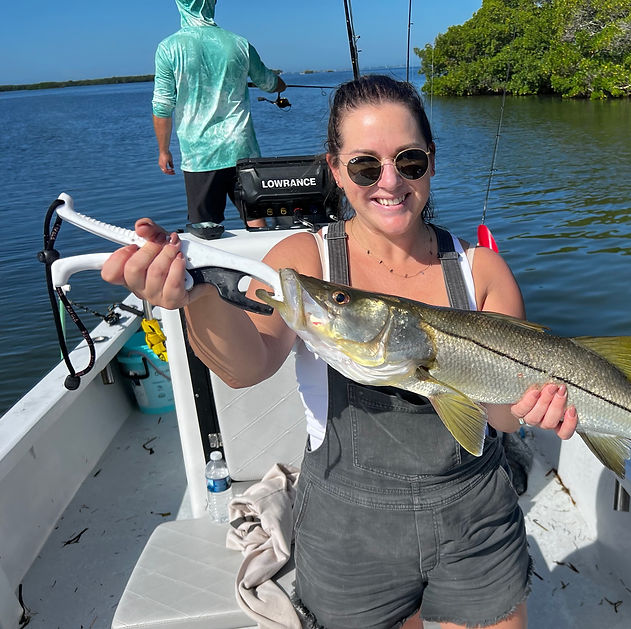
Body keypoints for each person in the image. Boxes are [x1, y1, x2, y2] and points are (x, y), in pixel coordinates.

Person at [104, 75, 577, 629]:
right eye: (365, 166)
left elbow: (496, 418)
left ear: (431, 160)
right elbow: (246, 366)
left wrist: (534, 408)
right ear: (334, 169)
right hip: (348, 525)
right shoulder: (303, 262)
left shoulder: (482, 272)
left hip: (475, 517)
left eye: (409, 161)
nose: (390, 182)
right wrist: (193, 297)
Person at [152, 0, 286, 229]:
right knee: (255, 216)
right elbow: (268, 82)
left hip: (200, 155)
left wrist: (164, 151)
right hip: (242, 149)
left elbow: (163, 106)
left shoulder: (168, 48)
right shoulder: (239, 43)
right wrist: (280, 86)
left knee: (205, 226)